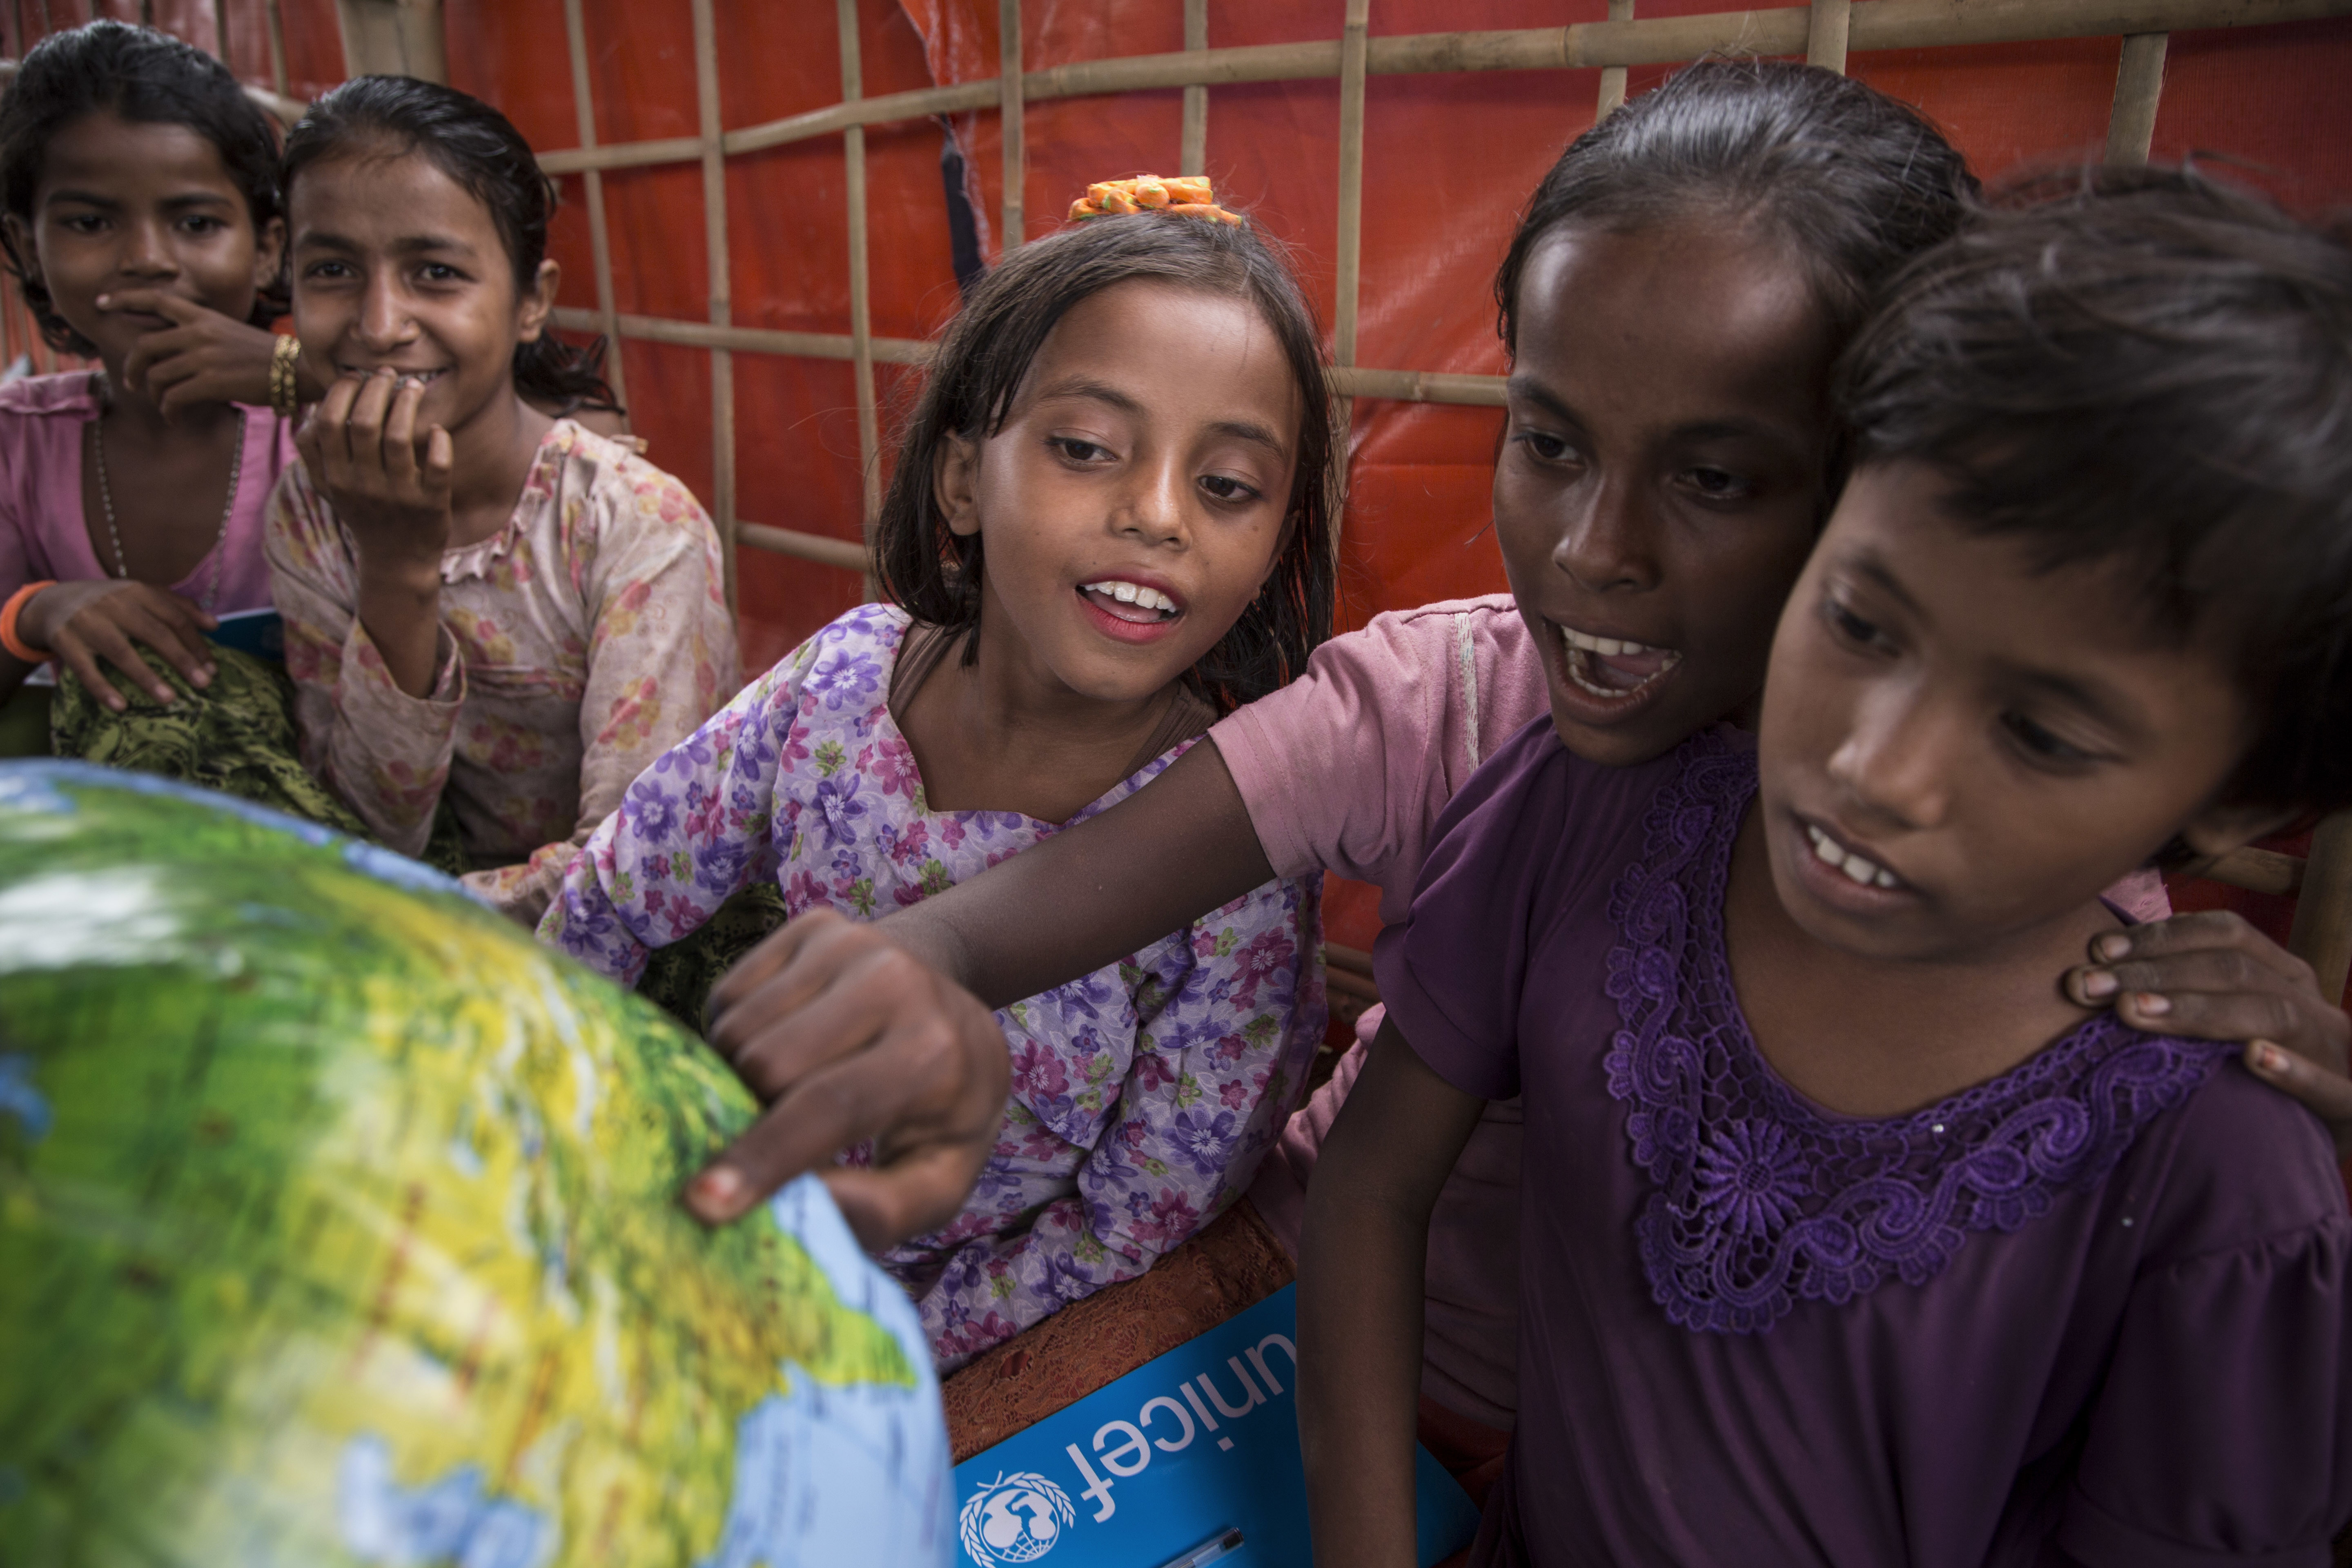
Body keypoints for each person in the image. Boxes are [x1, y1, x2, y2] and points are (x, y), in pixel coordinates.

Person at [670, 61, 2352, 1468]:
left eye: (1718, 478)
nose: (1594, 554)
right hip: (1301, 1317)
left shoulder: (2033, 889)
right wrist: (925, 969)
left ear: (1886, 465)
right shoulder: (1456, 706)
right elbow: (1035, 916)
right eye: (1549, 445)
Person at [1301, 169, 2352, 1566]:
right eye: (1862, 622)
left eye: (2036, 730)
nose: (1876, 765)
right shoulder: (1590, 813)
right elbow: (1370, 1191)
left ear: (2235, 806)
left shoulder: (2223, 1181)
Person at [541, 184, 1336, 1370]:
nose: (1159, 514)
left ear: (1273, 545)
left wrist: (872, 1347)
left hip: (949, 1341)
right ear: (964, 479)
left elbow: (1132, 1220)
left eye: (1227, 485)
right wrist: (559, 1135)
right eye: (1084, 449)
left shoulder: (1238, 853)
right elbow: (613, 900)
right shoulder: (841, 688)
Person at [262, 76, 735, 923]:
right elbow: (367, 827)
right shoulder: (312, 508)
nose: (379, 323)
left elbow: (638, 862)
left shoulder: (633, 525)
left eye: (435, 274)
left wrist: (395, 921)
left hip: (629, 944)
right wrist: (397, 566)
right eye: (332, 270)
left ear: (531, 303)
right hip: (418, 914)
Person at [0, 22, 298, 722]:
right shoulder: (16, 444)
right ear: (27, 245)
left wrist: (297, 374)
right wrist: (33, 614)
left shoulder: (323, 422)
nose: (147, 259)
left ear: (266, 248)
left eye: (196, 224)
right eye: (90, 223)